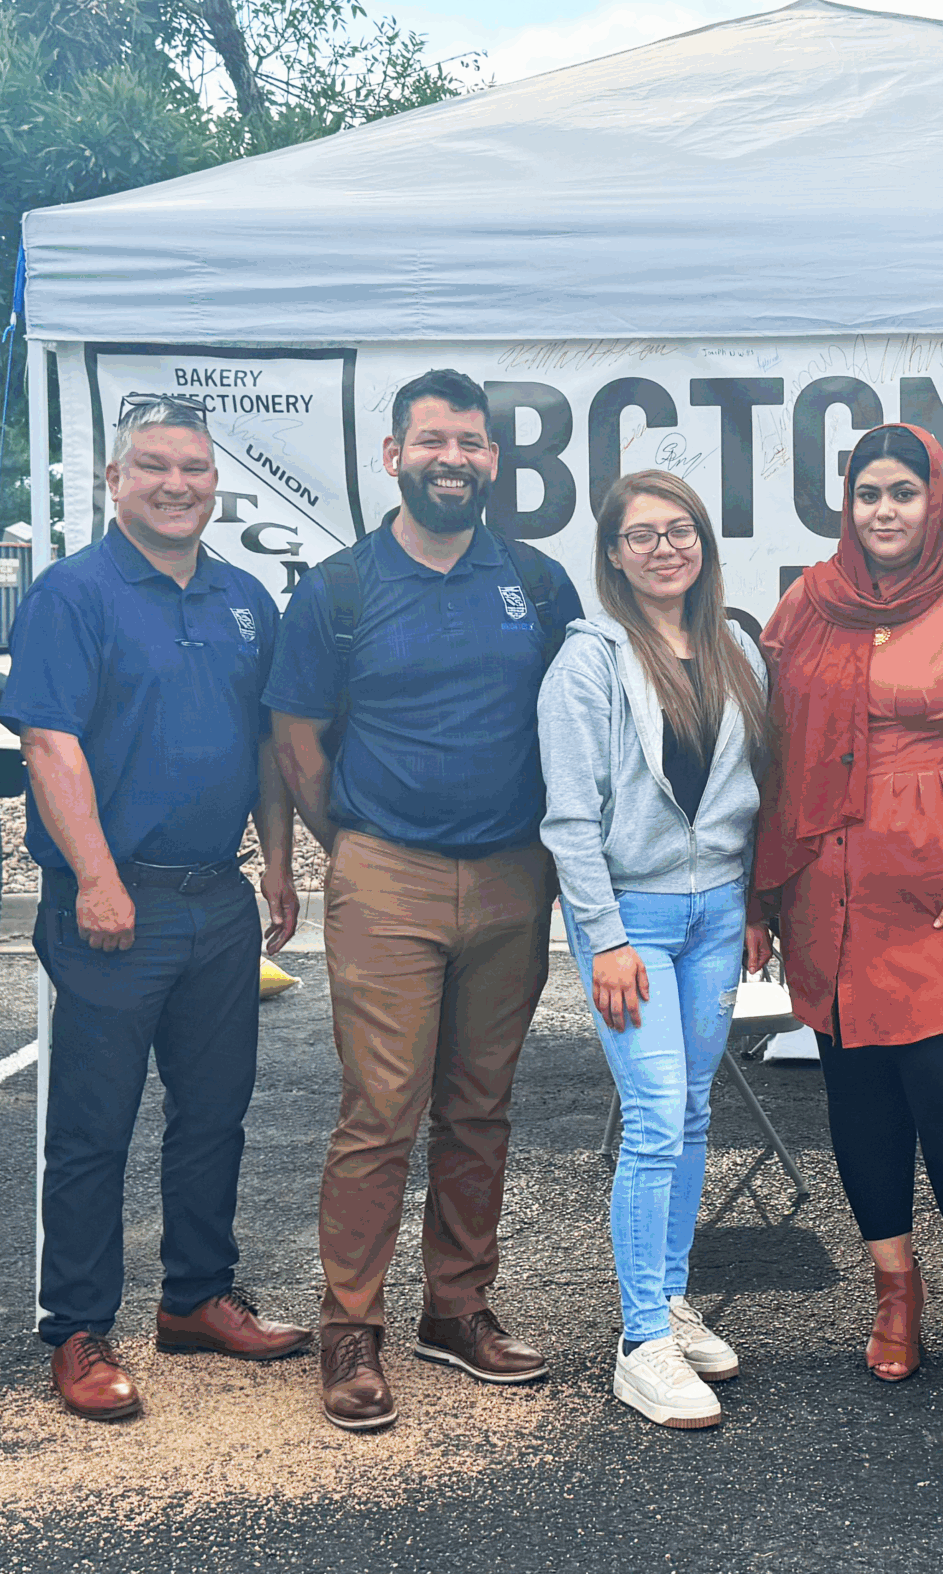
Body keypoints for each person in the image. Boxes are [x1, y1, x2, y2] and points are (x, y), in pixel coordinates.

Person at [266, 368, 584, 1434]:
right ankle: (350, 1327)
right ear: (394, 454)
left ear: (494, 459)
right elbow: (298, 741)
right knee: (380, 1111)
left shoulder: (537, 584)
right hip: (385, 874)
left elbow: (575, 726)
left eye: (472, 443)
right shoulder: (339, 589)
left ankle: (456, 1307)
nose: (455, 458)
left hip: (512, 875)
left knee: (480, 1105)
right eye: (434, 440)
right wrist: (356, 847)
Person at [0, 393, 310, 1422]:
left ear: (215, 483)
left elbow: (263, 745)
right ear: (114, 481)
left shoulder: (244, 599)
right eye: (155, 466)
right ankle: (78, 1327)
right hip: (111, 902)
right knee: (94, 1126)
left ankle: (197, 1298)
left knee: (214, 1112)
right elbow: (50, 742)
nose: (177, 485)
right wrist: (96, 877)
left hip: (216, 896)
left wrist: (277, 863)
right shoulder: (73, 593)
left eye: (194, 469)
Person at [751, 422, 943, 1425]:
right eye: (869, 493)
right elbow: (769, 751)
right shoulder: (805, 606)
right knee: (861, 1100)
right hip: (831, 903)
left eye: (904, 492)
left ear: (937, 502)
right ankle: (893, 1289)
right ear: (848, 505)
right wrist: (760, 896)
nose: (885, 510)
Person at [537, 470, 771, 1430]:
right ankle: (641, 1343)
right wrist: (604, 938)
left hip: (718, 914)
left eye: (681, 530)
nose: (665, 548)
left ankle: (670, 1300)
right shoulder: (587, 662)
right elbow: (568, 819)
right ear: (614, 555)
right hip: (634, 921)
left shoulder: (737, 649)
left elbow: (753, 789)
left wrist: (752, 905)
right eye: (642, 535)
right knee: (654, 1116)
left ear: (704, 543)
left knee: (694, 1110)